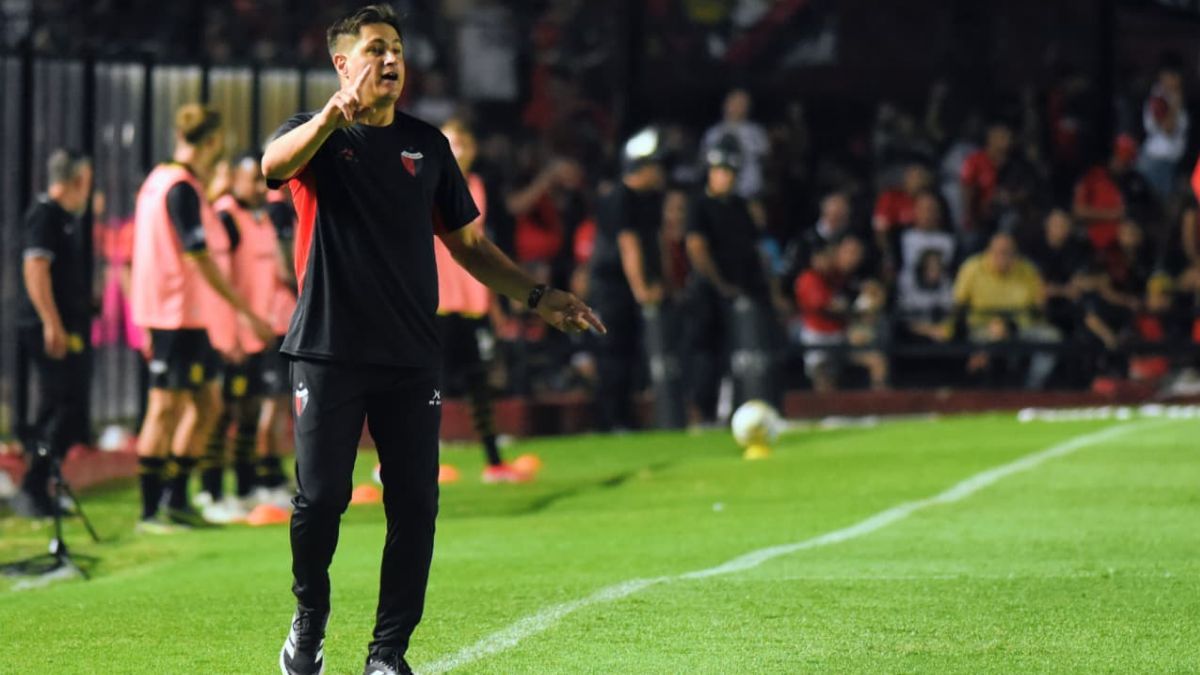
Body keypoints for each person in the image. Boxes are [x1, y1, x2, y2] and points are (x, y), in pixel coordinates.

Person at [261, 7, 604, 674]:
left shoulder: (428, 145)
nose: (390, 60)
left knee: (416, 502)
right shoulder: (315, 136)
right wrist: (332, 116)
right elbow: (272, 166)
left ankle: (387, 653)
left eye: (396, 49)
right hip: (328, 348)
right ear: (342, 63)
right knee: (322, 498)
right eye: (374, 49)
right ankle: (309, 614)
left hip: (412, 355)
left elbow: (471, 246)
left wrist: (540, 297)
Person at [130, 104, 273, 533]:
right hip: (174, 315)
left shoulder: (163, 183)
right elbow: (199, 258)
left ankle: (177, 497)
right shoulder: (180, 189)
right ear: (211, 142)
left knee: (209, 403)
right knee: (164, 408)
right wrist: (246, 311)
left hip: (187, 316)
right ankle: (152, 510)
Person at [434, 119, 524, 482]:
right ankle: (402, 459)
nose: (459, 151)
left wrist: (497, 301)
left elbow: (481, 248)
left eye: (464, 144)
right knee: (427, 385)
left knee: (478, 382)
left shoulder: (477, 187)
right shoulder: (425, 183)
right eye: (451, 143)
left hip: (471, 300)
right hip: (434, 299)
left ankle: (494, 462)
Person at [196, 153, 281, 522]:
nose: (259, 188)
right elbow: (219, 283)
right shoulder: (226, 218)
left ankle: (246, 488)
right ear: (235, 179)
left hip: (258, 332)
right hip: (232, 334)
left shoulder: (260, 218)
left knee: (248, 411)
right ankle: (210, 490)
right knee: (221, 412)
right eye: (252, 180)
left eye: (263, 181)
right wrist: (228, 331)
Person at [12, 150, 93, 518]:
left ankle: (44, 485)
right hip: (49, 328)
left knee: (67, 408)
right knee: (60, 408)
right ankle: (33, 487)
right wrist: (51, 321)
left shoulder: (64, 220)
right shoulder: (44, 216)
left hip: (68, 325)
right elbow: (35, 269)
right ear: (78, 181)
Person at [683, 142, 774, 421]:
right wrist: (720, 284)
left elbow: (756, 249)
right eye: (721, 170)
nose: (727, 176)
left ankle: (744, 410)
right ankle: (705, 414)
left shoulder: (741, 206)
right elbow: (697, 247)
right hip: (711, 294)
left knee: (746, 356)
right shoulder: (700, 205)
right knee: (709, 357)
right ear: (710, 172)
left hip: (744, 290)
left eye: (731, 171)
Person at [587, 127, 668, 431]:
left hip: (631, 286)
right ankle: (610, 420)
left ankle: (625, 417)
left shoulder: (647, 199)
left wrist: (662, 280)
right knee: (614, 352)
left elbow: (656, 242)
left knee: (631, 352)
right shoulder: (619, 198)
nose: (660, 172)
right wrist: (642, 289)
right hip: (613, 287)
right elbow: (628, 245)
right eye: (655, 166)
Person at [953, 232, 1060, 388]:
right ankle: (987, 387)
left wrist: (1043, 301)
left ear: (1015, 254)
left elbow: (1039, 306)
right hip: (982, 328)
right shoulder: (972, 268)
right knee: (996, 333)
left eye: (1008, 252)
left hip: (1023, 327)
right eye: (998, 252)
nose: (1002, 256)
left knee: (1052, 337)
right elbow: (959, 304)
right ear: (988, 251)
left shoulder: (1027, 270)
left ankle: (1032, 386)